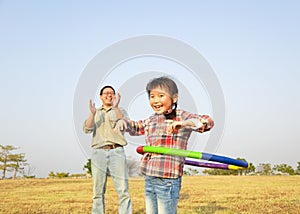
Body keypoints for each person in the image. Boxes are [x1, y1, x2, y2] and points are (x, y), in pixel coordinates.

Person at [114, 76, 214, 214]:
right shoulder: (152, 119)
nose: (156, 100)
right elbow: (136, 127)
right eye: (152, 96)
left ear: (175, 97)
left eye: (161, 96)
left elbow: (207, 121)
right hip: (150, 176)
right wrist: (123, 123)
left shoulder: (181, 116)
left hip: (168, 179)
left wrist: (184, 123)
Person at [83, 85, 132, 214]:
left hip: (117, 151)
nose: (109, 95)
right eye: (106, 93)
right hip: (98, 152)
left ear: (115, 96)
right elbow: (87, 129)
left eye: (111, 93)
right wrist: (92, 114)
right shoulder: (96, 112)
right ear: (101, 96)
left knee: (123, 190)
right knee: (97, 190)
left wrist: (115, 107)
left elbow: (126, 123)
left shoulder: (120, 110)